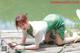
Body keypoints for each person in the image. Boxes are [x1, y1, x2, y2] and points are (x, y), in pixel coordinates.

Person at [8, 13, 80, 50]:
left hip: (57, 20)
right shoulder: (24, 28)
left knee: (59, 43)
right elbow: (23, 42)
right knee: (46, 41)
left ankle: (76, 37)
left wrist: (23, 48)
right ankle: (59, 34)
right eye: (20, 26)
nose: (22, 27)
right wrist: (16, 45)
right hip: (48, 21)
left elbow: (36, 47)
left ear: (27, 21)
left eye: (23, 24)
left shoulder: (37, 30)